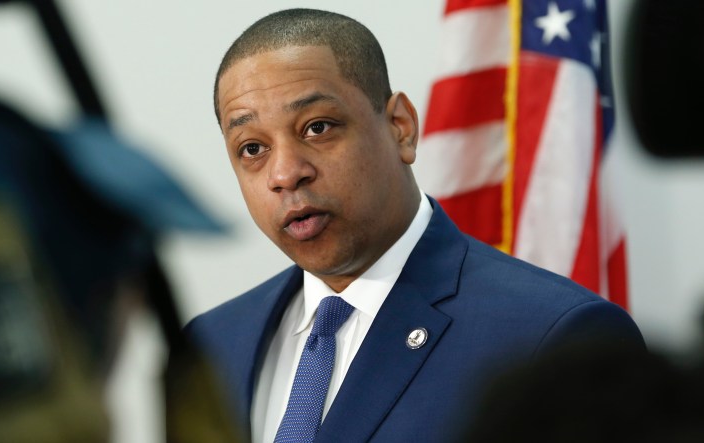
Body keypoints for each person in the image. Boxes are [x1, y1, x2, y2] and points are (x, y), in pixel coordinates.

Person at [185, 8, 645, 443]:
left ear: (400, 127)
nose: (286, 174)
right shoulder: (207, 346)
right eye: (252, 148)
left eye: (318, 127)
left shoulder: (558, 339)